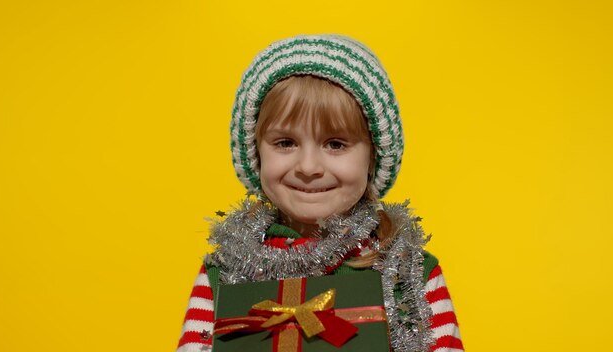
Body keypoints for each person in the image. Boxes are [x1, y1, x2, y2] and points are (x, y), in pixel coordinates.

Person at [177, 35, 463, 352]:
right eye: (286, 143)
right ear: (257, 155)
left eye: (336, 144)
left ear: (373, 158)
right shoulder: (223, 274)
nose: (309, 166)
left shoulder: (408, 273)